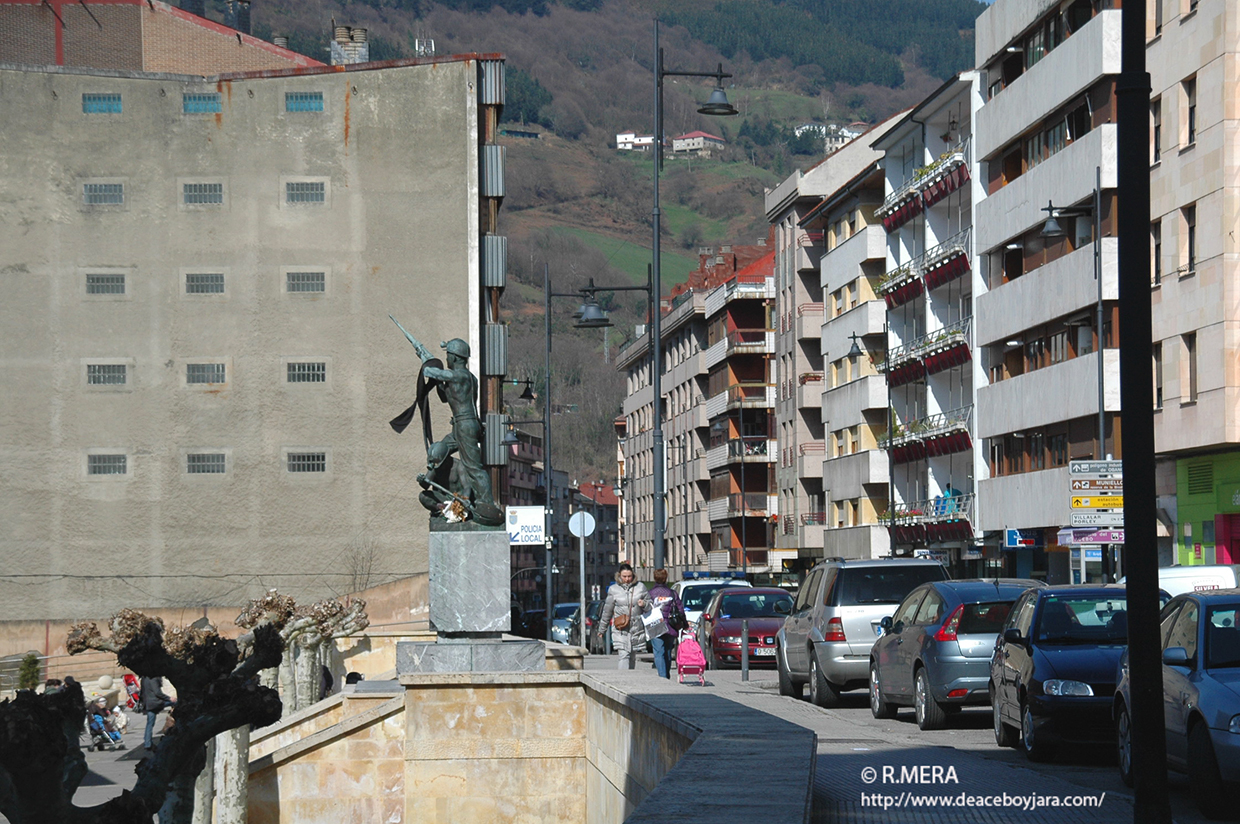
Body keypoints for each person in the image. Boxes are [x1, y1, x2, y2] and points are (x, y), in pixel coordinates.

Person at [598, 563, 649, 669]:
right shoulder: (613, 590)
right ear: (619, 576)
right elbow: (607, 610)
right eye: (624, 576)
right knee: (623, 654)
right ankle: (623, 680)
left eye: (629, 576)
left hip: (636, 628)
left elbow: (651, 605)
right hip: (620, 628)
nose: (627, 579)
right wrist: (602, 629)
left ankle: (630, 680)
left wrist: (644, 604)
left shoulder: (640, 587)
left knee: (632, 655)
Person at [646, 569, 686, 679]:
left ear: (654, 578)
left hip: (655, 626)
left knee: (659, 652)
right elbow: (680, 610)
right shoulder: (672, 593)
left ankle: (662, 677)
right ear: (666, 578)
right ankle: (666, 675)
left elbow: (645, 610)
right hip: (670, 626)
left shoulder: (650, 594)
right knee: (667, 652)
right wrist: (685, 624)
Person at [139, 675, 172, 750]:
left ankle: (147, 743)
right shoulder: (153, 678)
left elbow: (142, 692)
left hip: (149, 703)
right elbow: (158, 693)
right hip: (156, 703)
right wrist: (170, 698)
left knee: (150, 723)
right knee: (175, 702)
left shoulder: (144, 678)